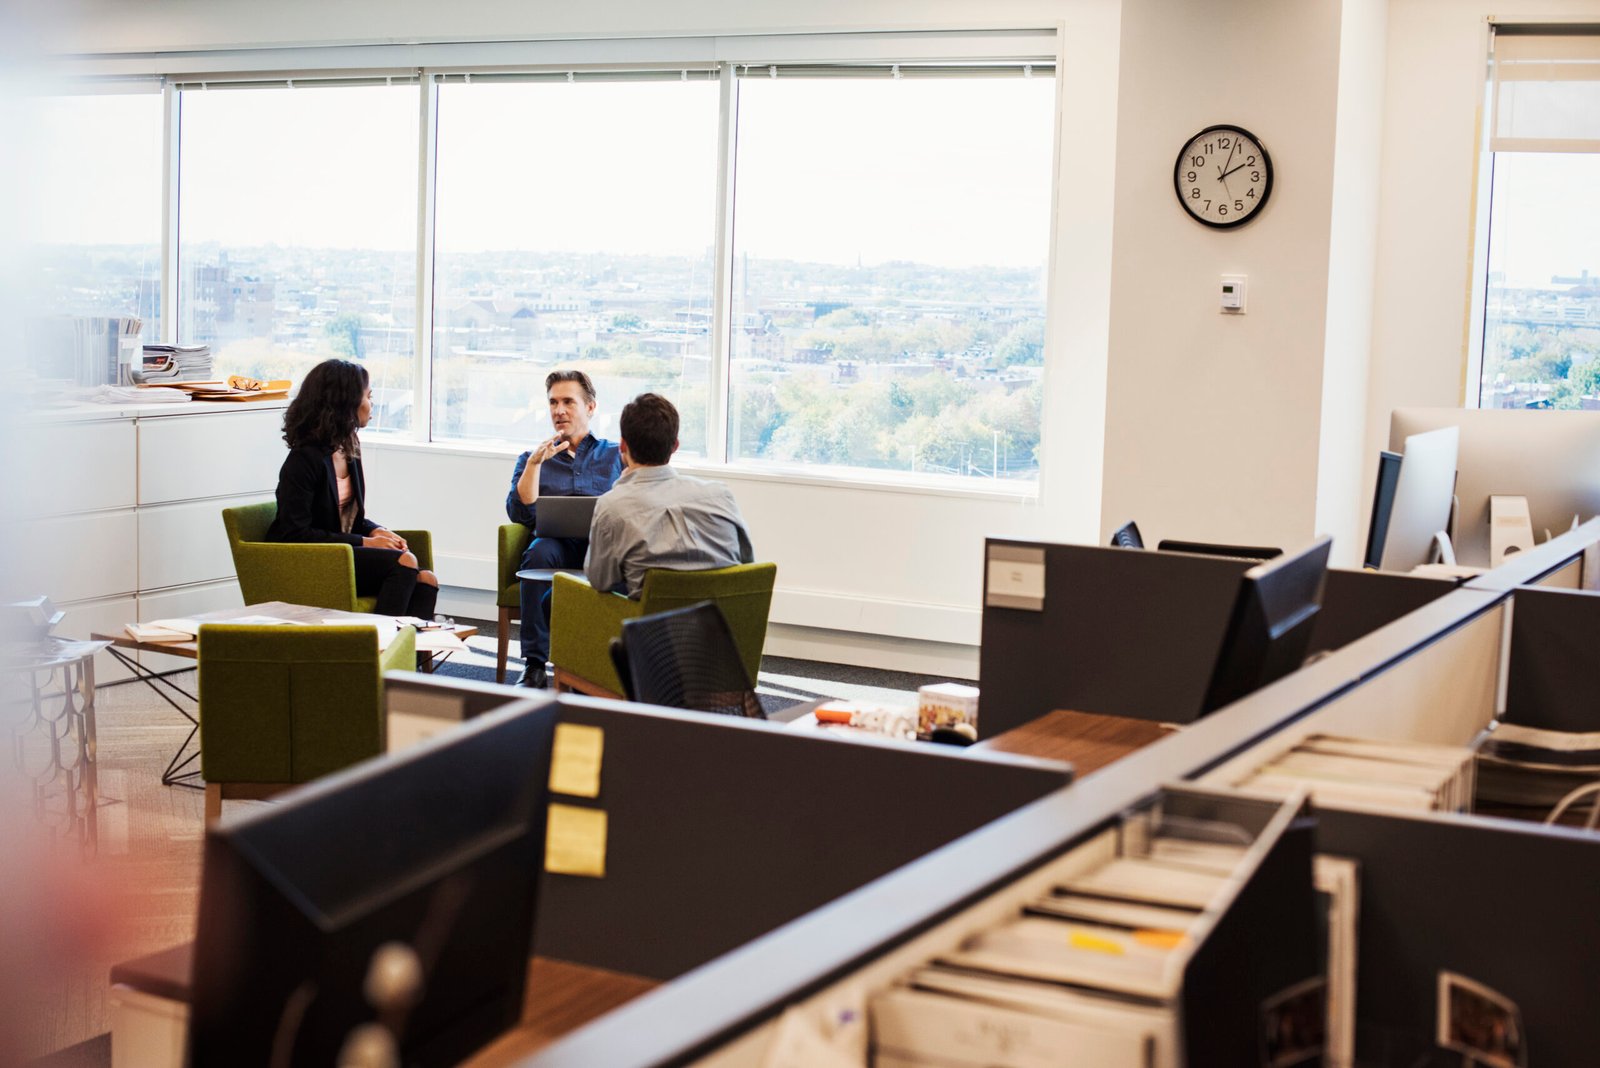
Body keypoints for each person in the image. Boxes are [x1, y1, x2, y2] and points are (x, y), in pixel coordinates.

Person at [267, 358, 439, 619]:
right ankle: (376, 651)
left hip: (341, 555)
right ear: (345, 403)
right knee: (405, 563)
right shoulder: (304, 460)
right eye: (368, 396)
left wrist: (375, 529)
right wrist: (365, 541)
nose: (372, 404)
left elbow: (346, 517)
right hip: (310, 560)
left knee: (426, 579)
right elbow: (295, 532)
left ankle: (404, 658)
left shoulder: (349, 447)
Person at [505, 370, 624, 687]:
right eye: (553, 402)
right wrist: (534, 466)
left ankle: (602, 664)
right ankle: (534, 665)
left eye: (568, 401)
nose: (559, 410)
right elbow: (518, 512)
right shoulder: (533, 459)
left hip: (602, 546)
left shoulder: (616, 455)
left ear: (590, 407)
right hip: (554, 545)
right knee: (538, 552)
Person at [585, 392, 753, 599]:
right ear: (675, 446)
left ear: (623, 445)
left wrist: (621, 487)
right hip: (721, 626)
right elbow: (746, 564)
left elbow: (600, 580)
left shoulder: (612, 505)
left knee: (554, 599)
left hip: (653, 629)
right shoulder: (721, 495)